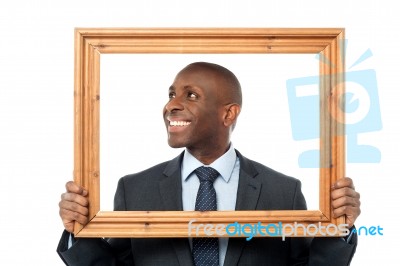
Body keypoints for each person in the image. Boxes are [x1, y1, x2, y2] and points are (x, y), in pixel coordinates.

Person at [57, 62, 361, 266]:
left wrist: (339, 227)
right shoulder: (135, 189)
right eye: (171, 94)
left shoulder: (283, 191)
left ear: (228, 114)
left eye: (191, 95)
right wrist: (77, 232)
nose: (171, 104)